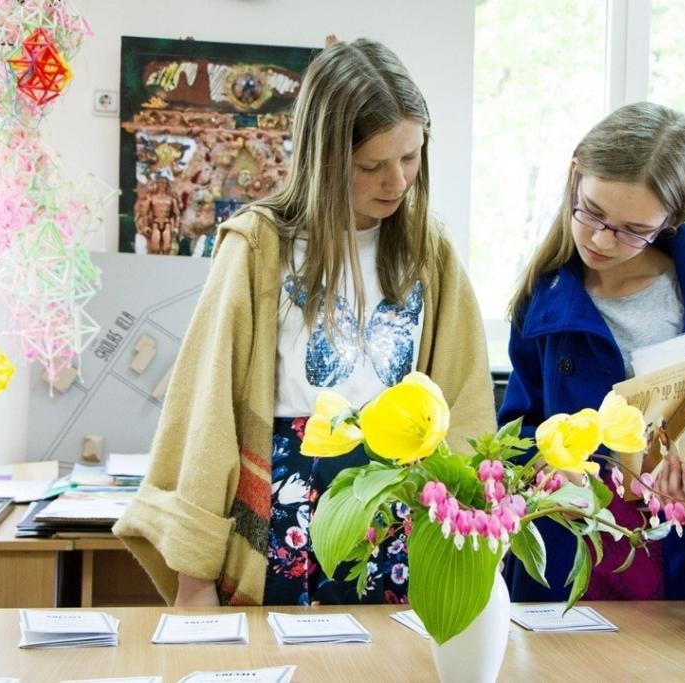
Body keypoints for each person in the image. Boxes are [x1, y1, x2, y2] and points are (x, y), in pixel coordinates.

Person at [114, 38, 496, 607]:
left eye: (410, 158)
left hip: (400, 508)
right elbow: (205, 410)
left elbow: (465, 408)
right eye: (371, 166)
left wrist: (463, 544)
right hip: (282, 502)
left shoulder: (430, 251)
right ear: (322, 157)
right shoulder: (259, 245)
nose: (396, 182)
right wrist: (194, 578)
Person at [497, 102, 685, 601]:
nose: (602, 238)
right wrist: (546, 469)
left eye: (632, 229)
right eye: (593, 212)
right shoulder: (540, 307)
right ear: (575, 173)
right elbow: (512, 447)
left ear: (671, 218)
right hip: (569, 576)